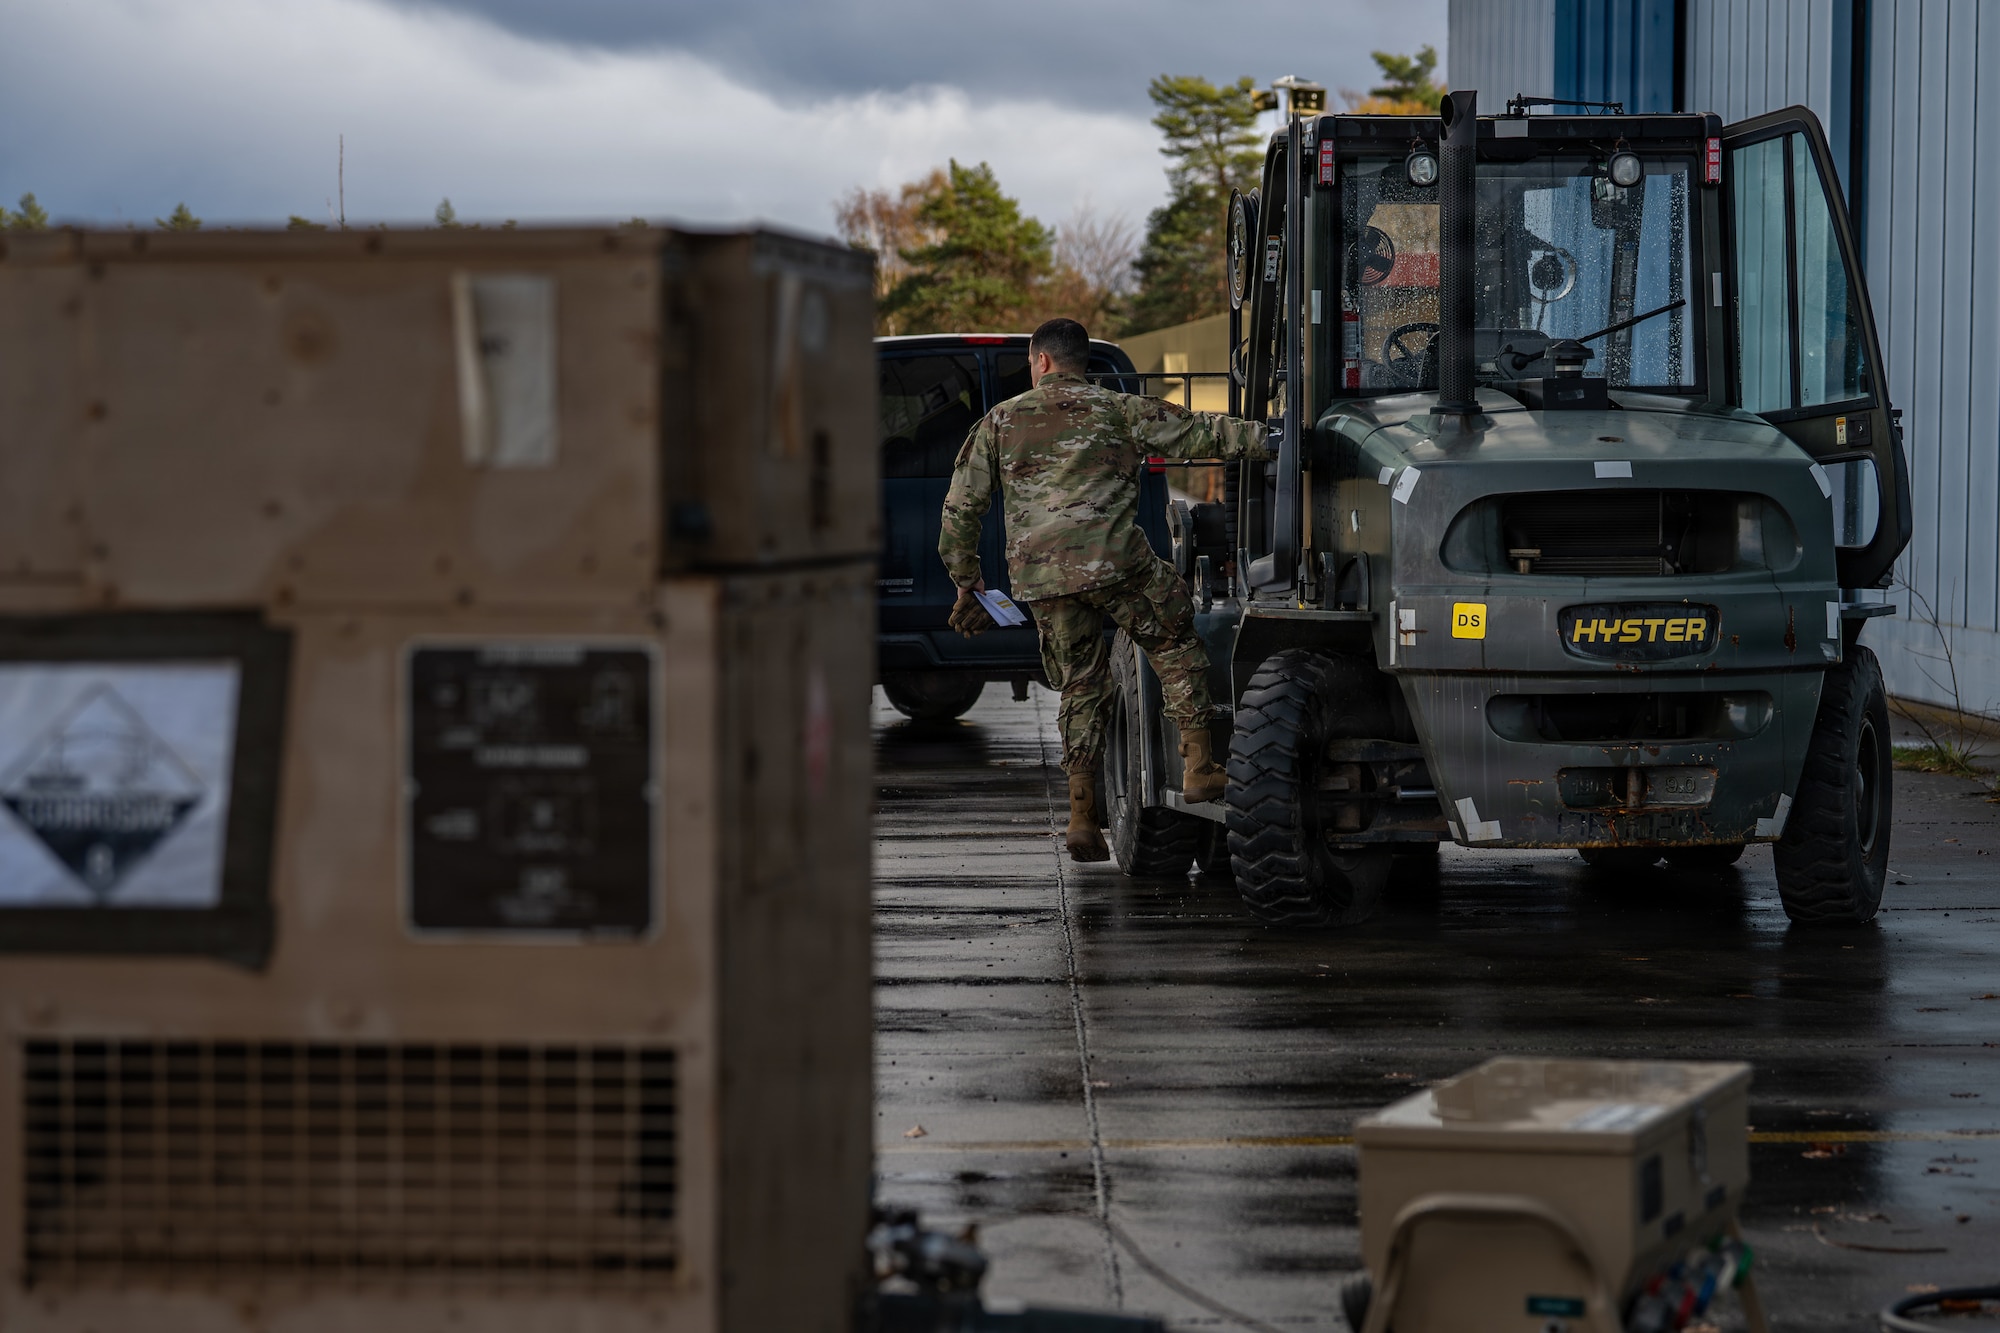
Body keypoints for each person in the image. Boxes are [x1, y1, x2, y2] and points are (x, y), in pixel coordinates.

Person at [938, 317, 1274, 863]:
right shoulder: (1118, 409)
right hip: (1118, 566)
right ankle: (1197, 768)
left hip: (1043, 580)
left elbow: (960, 510)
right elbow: (1201, 433)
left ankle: (1081, 817)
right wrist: (1274, 438)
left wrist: (968, 582)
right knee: (1175, 639)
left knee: (1080, 687)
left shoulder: (999, 421)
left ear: (1041, 361)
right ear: (1081, 361)